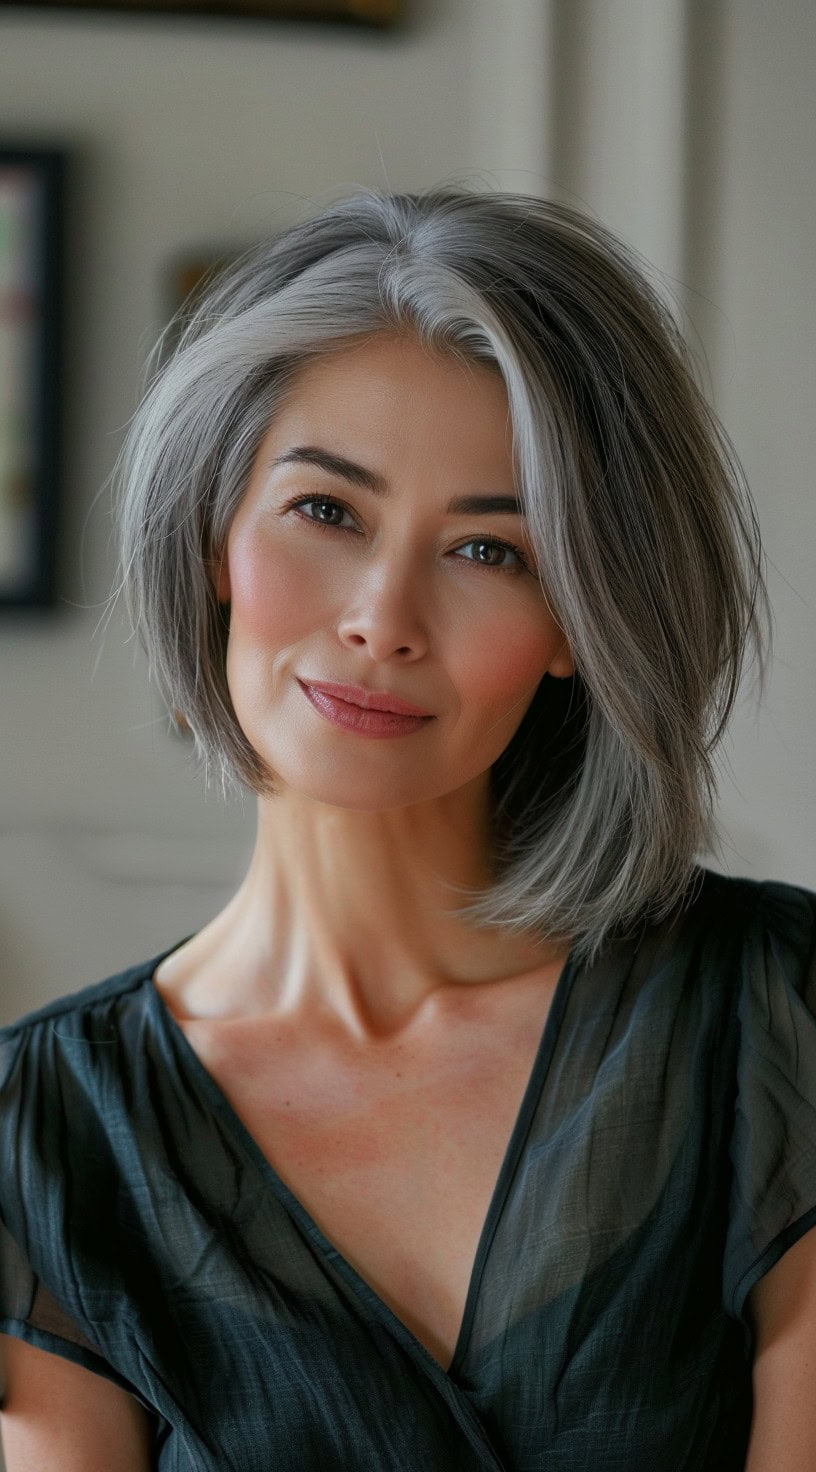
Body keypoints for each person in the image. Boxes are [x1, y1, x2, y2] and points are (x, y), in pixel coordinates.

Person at [0, 186, 814, 1472]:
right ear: (216, 533)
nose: (383, 616)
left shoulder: (774, 1014)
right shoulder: (45, 1127)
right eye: (327, 511)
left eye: (492, 549)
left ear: (577, 625)